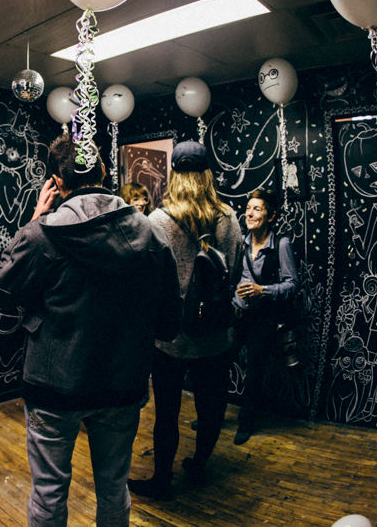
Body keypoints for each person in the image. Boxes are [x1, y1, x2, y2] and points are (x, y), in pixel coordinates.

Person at [0, 135, 181, 527]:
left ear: (57, 182)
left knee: (49, 493)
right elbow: (169, 324)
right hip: (123, 385)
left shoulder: (41, 235)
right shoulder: (152, 234)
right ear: (104, 171)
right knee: (113, 489)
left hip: (53, 386)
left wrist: (35, 219)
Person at [128, 140, 243, 500]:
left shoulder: (157, 221)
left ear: (173, 175)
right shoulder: (228, 218)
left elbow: (145, 280)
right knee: (212, 408)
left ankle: (162, 480)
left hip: (170, 337)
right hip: (215, 333)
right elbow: (235, 270)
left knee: (167, 412)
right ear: (208, 173)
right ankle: (199, 465)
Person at [232, 189, 299, 445]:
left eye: (257, 209)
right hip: (236, 316)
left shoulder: (281, 244)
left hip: (261, 320)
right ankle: (212, 415)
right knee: (219, 364)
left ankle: (246, 422)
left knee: (254, 372)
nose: (249, 213)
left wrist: (263, 290)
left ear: (270, 216)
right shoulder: (239, 242)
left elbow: (292, 284)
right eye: (248, 208)